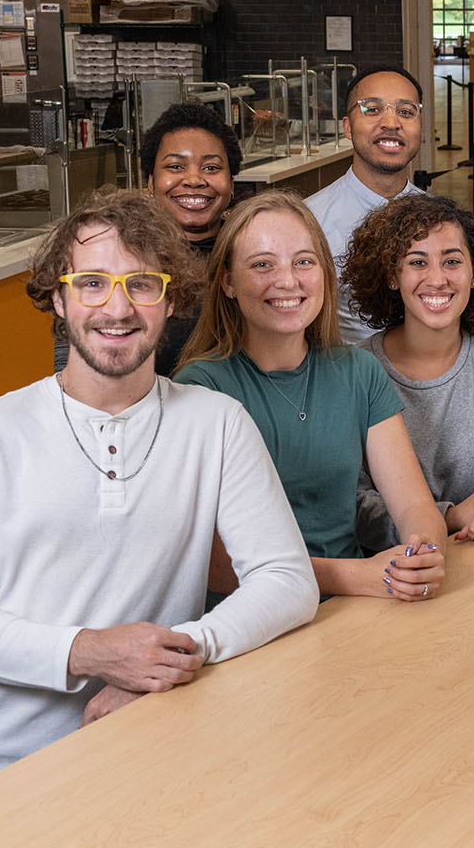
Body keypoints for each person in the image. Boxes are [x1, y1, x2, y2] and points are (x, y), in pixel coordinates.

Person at [0, 188, 319, 811]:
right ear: (58, 294)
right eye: (93, 283)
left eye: (143, 284)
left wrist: (173, 657)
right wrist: (94, 651)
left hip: (135, 752)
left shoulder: (216, 423)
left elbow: (288, 581)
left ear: (172, 298)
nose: (117, 307)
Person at [176, 190, 448, 602]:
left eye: (304, 261)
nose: (287, 280)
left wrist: (422, 552)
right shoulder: (201, 387)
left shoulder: (359, 371)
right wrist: (359, 577)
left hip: (354, 608)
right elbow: (219, 569)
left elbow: (414, 505)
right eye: (263, 265)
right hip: (254, 619)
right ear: (228, 282)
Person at [344, 193, 474, 547]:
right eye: (417, 263)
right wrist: (451, 516)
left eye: (452, 261)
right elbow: (352, 501)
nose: (437, 279)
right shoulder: (355, 370)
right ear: (393, 276)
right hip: (401, 571)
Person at [54, 105, 243, 377]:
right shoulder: (115, 253)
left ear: (231, 183)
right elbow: (72, 356)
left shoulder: (251, 255)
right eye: (175, 166)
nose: (194, 179)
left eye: (211, 167)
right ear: (151, 183)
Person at [305, 65, 427, 344]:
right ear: (347, 126)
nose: (391, 123)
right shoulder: (310, 219)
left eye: (406, 112)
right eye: (372, 110)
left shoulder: (441, 220)